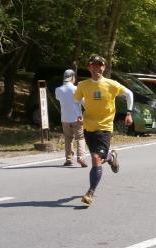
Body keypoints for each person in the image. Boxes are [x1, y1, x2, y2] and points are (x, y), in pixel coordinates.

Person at [74, 55, 134, 205]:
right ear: (89, 67)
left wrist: (129, 113)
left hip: (105, 127)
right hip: (88, 127)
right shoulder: (83, 85)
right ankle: (111, 157)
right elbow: (76, 101)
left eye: (100, 65)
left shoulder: (111, 84)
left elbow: (129, 94)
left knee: (95, 158)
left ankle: (90, 193)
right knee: (98, 157)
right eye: (94, 65)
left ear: (104, 68)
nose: (97, 68)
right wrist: (78, 114)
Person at [55, 69, 87, 167]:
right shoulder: (76, 89)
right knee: (80, 138)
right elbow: (84, 103)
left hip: (64, 118)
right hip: (77, 118)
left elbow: (58, 98)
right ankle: (81, 158)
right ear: (72, 77)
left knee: (68, 138)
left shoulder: (58, 89)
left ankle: (69, 159)